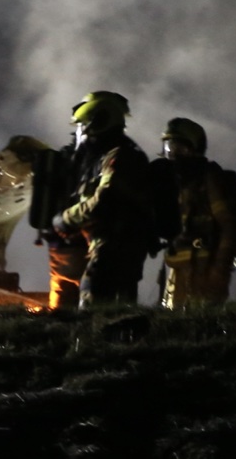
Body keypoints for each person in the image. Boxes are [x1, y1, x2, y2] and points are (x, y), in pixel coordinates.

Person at [42, 90, 154, 310]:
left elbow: (103, 201)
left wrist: (65, 219)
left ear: (99, 120)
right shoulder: (101, 158)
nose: (81, 132)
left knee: (96, 303)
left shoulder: (121, 157)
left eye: (84, 124)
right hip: (107, 244)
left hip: (118, 245)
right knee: (106, 307)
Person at [152, 116, 236, 308]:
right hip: (176, 268)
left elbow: (231, 228)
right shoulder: (175, 184)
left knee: (199, 325)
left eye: (180, 147)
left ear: (194, 148)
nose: (173, 153)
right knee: (173, 327)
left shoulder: (210, 178)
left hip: (204, 269)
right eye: (170, 147)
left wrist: (219, 272)